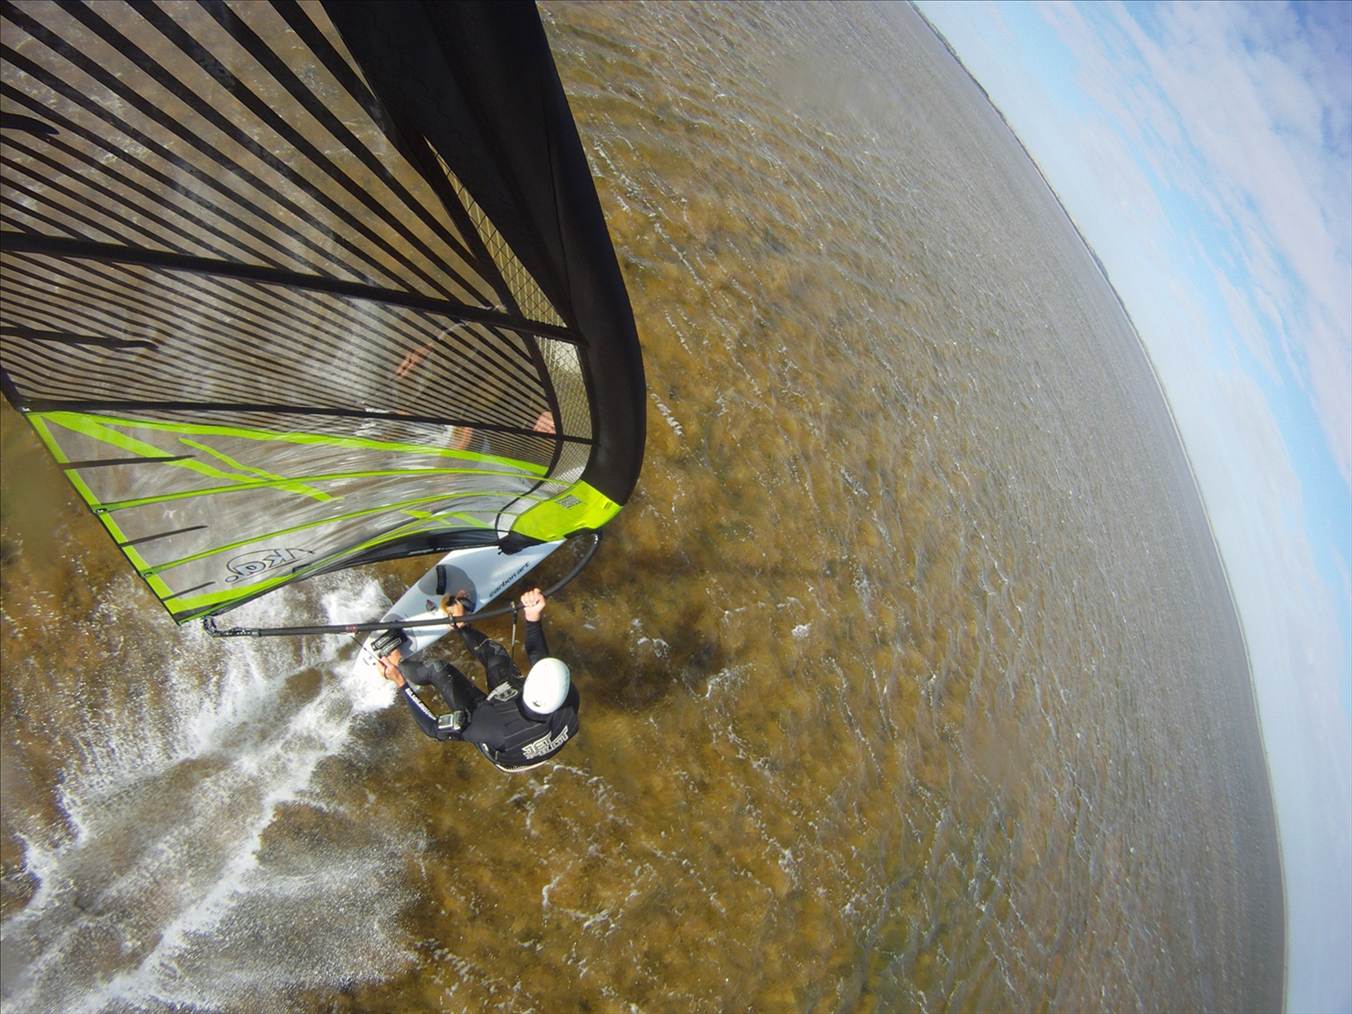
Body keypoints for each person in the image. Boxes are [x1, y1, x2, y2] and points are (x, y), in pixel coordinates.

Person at [375, 587, 579, 771]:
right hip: (519, 719)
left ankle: (397, 663)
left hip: (505, 739)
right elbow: (540, 658)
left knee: (438, 670)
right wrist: (533, 617)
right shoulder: (567, 697)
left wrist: (401, 683)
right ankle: (461, 624)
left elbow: (432, 728)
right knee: (496, 656)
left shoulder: (488, 726)